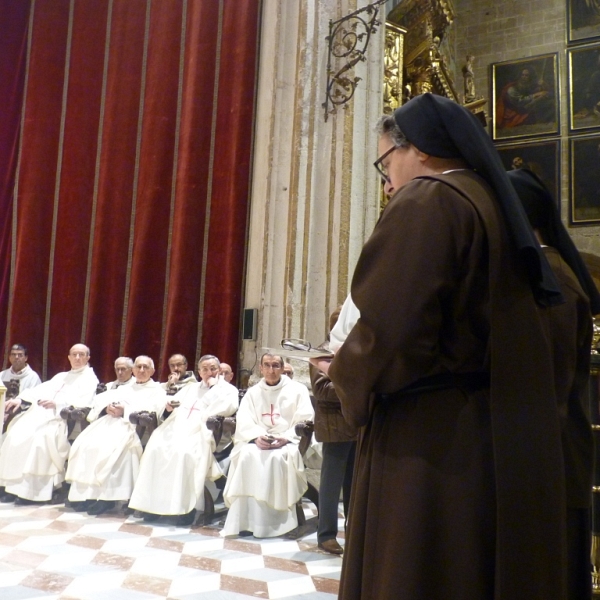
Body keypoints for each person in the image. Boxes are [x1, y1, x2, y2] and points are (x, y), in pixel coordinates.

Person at [314, 93, 600, 600]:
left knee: (417, 570)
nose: (387, 183)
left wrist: (340, 373)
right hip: (483, 431)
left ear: (418, 149)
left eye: (386, 163)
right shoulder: (489, 202)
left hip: (427, 441)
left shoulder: (430, 199)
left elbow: (391, 328)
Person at [508, 168, 596, 599]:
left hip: (552, 456)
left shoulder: (551, 280)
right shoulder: (545, 270)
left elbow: (545, 378)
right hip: (547, 452)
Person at [129, 354, 238, 526]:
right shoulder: (190, 388)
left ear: (219, 370)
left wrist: (213, 389)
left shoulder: (227, 390)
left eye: (213, 369)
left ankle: (184, 509)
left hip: (201, 432)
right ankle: (152, 506)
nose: (209, 372)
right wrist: (168, 407)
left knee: (183, 454)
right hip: (176, 428)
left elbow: (225, 408)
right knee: (155, 449)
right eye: (204, 369)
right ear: (199, 371)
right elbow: (169, 406)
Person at [221, 353, 314, 538]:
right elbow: (244, 420)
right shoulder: (253, 392)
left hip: (286, 442)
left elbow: (306, 419)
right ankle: (246, 520)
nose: (271, 370)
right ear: (261, 368)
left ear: (282, 368)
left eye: (276, 365)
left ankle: (276, 522)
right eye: (267, 365)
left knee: (276, 458)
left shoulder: (298, 390)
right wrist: (256, 437)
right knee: (246, 455)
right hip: (259, 440)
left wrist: (286, 438)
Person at [65, 355, 167, 515]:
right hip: (107, 423)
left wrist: (125, 410)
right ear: (133, 370)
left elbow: (155, 410)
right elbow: (99, 400)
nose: (141, 370)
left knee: (111, 449)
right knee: (85, 444)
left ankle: (108, 498)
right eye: (138, 367)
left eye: (145, 367)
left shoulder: (158, 390)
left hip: (131, 426)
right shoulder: (124, 388)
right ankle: (87, 495)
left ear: (153, 371)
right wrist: (106, 407)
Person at [0, 344, 99, 503]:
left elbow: (85, 402)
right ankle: (11, 486)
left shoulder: (90, 379)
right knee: (14, 434)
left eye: (81, 355)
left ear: (88, 358)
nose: (77, 358)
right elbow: (38, 390)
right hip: (41, 414)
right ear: (69, 357)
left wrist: (57, 404)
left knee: (38, 440)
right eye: (74, 354)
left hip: (61, 418)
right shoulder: (61, 376)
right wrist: (19, 399)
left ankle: (31, 491)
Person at [309, 308, 357, 555]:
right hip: (335, 427)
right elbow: (322, 390)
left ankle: (354, 531)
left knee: (353, 484)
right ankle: (326, 534)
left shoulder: (353, 352)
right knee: (331, 484)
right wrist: (355, 389)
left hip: (356, 426)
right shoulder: (323, 351)